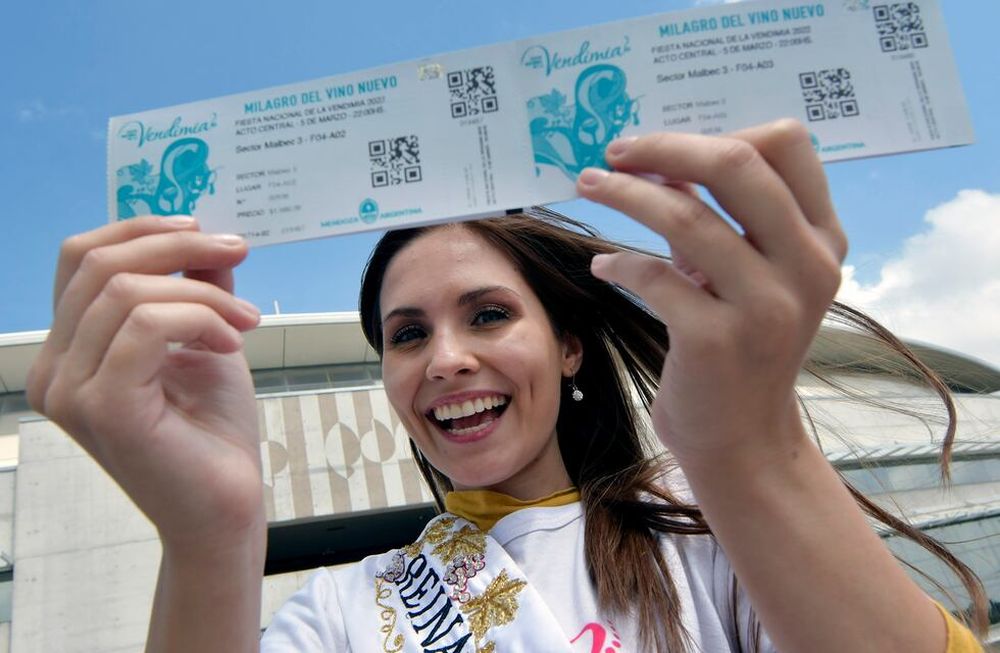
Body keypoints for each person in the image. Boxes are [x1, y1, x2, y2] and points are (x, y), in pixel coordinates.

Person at [26, 121, 986, 652]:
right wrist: (208, 540)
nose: (444, 357)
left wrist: (749, 451)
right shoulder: (344, 612)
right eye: (407, 335)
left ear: (570, 348)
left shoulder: (713, 531)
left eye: (486, 315)